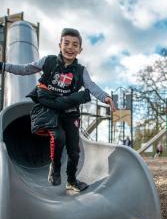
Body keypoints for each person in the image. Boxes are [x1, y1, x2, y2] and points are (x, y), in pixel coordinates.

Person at [0, 28, 116, 192]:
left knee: (74, 151)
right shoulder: (48, 61)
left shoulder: (80, 71)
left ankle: (71, 180)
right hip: (51, 109)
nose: (70, 47)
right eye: (66, 43)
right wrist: (4, 66)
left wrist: (105, 97)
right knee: (58, 136)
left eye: (75, 44)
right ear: (60, 44)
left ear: (80, 50)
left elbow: (91, 86)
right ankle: (54, 167)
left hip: (69, 111)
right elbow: (26, 69)